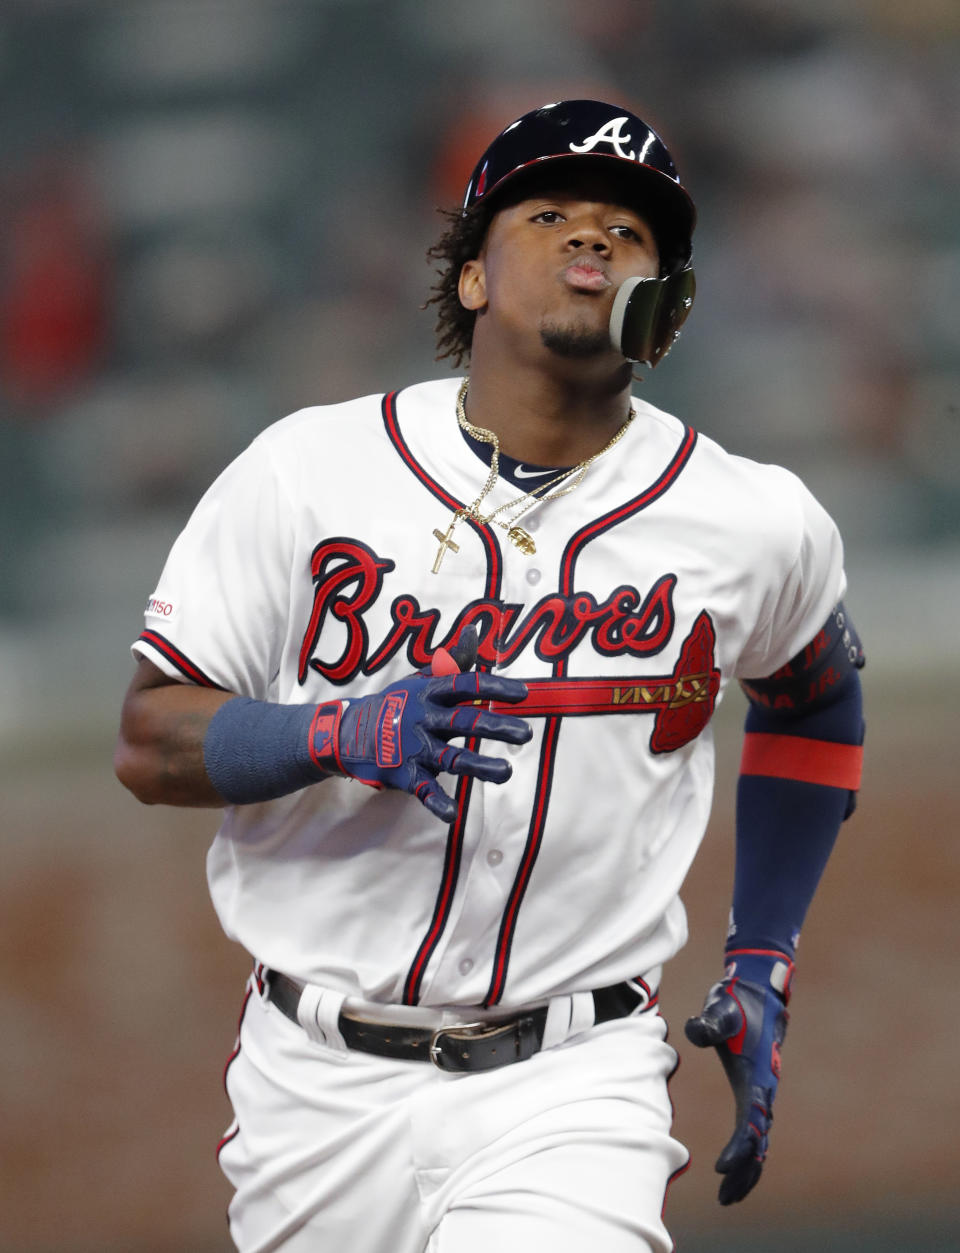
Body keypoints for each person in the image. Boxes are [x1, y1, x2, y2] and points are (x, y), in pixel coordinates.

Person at [115, 100, 865, 1253]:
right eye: (550, 210)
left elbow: (815, 690)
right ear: (468, 277)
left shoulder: (750, 518)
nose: (595, 236)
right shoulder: (307, 471)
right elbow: (150, 738)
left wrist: (763, 956)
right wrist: (337, 732)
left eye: (631, 230)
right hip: (318, 1082)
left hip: (575, 1073)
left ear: (664, 302)